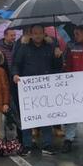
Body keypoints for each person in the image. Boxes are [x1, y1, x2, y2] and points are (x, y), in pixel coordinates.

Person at [13, 24, 64, 155]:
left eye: (40, 33)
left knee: (46, 116)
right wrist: (15, 75)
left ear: (44, 33)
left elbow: (57, 67)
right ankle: (27, 144)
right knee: (28, 117)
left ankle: (47, 144)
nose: (37, 35)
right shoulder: (23, 47)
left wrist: (59, 57)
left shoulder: (51, 47)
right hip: (28, 88)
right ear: (30, 34)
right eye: (35, 33)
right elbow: (16, 64)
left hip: (45, 87)